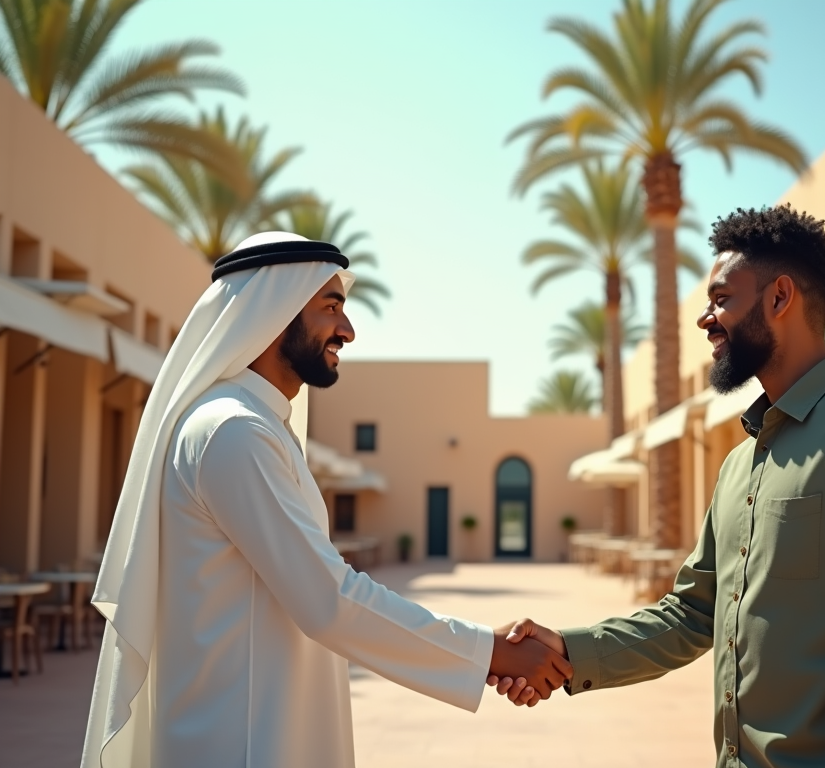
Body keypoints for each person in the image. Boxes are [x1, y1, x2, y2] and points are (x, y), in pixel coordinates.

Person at [490, 205, 825, 767]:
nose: (705, 319)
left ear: (779, 298)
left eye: (721, 299)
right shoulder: (739, 463)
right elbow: (691, 613)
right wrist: (567, 650)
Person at [82, 232, 571, 768]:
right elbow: (328, 600)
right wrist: (488, 651)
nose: (348, 330)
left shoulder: (256, 425)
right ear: (276, 310)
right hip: (238, 743)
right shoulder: (233, 431)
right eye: (331, 307)